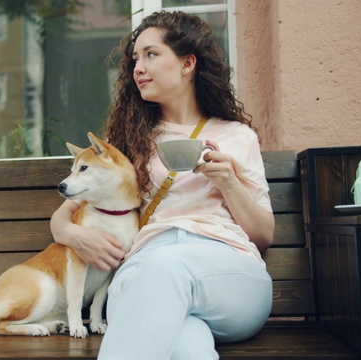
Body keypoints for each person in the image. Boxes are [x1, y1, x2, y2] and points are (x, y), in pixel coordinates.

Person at [50, 11, 274, 360]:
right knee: (188, 346)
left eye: (151, 55)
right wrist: (79, 237)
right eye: (135, 58)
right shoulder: (124, 142)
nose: (138, 67)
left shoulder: (237, 137)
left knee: (165, 267)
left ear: (187, 63)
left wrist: (229, 183)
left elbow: (262, 235)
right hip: (145, 270)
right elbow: (61, 220)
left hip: (228, 274)